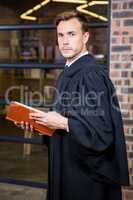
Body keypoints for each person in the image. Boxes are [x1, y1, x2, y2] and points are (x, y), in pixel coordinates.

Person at [19, 10, 129, 200]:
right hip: (67, 164)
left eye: (72, 34)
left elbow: (103, 131)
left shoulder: (91, 74)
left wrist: (63, 123)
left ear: (85, 36)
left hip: (85, 177)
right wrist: (40, 124)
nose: (65, 41)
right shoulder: (69, 71)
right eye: (61, 35)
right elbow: (69, 118)